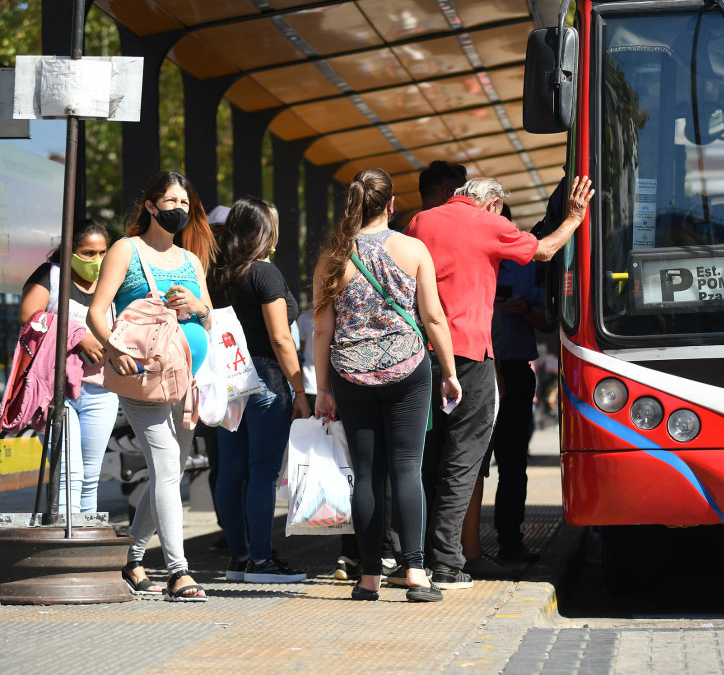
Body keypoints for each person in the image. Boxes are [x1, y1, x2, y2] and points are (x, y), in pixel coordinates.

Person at [403, 174, 592, 589]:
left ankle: (411, 559)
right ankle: (449, 563)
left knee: (423, 460)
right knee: (464, 460)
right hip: (469, 354)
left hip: (422, 354)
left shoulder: (421, 221)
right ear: (491, 205)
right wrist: (575, 219)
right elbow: (543, 250)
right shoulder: (489, 223)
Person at [312, 167, 463, 602]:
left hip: (349, 372)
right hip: (407, 368)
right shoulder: (412, 249)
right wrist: (450, 373)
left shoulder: (333, 256)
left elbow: (322, 330)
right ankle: (415, 572)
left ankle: (369, 578)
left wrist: (323, 388)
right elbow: (433, 317)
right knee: (406, 469)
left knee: (366, 475)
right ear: (392, 205)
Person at [88, 171, 216, 602]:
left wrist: (197, 305)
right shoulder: (126, 249)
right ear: (150, 206)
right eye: (170, 201)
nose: (178, 209)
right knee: (165, 469)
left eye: (184, 202)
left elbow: (210, 318)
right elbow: (97, 311)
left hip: (185, 378)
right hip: (140, 377)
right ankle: (179, 571)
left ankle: (134, 560)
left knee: (171, 471)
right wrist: (111, 347)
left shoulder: (191, 260)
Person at [208, 198, 311, 583]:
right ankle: (262, 561)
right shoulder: (264, 273)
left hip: (229, 382)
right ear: (264, 230)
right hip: (265, 378)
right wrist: (300, 391)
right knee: (263, 472)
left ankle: (239, 558)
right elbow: (281, 338)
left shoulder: (216, 275)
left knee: (231, 471)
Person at [19, 219, 118, 514]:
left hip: (101, 391)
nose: (97, 260)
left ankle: (87, 548)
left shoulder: (111, 281)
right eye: (88, 253)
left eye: (103, 253)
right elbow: (28, 317)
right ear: (70, 251)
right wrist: (78, 336)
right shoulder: (51, 276)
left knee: (90, 478)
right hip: (55, 390)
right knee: (68, 475)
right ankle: (67, 547)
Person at [491, 206, 551, 563]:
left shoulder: (526, 264)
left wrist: (525, 310)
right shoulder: (465, 258)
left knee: (512, 463)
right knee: (461, 464)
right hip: (473, 370)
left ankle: (510, 540)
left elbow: (549, 320)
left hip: (514, 370)